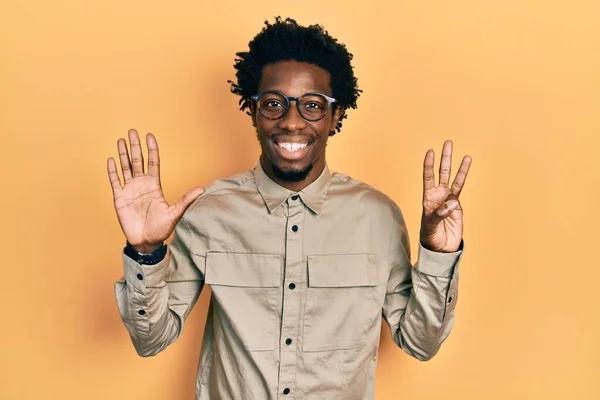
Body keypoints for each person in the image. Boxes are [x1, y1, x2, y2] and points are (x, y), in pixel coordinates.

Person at [108, 17, 472, 400]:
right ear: (252, 111)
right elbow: (151, 339)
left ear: (336, 116)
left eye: (312, 106)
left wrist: (439, 255)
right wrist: (146, 253)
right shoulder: (208, 212)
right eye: (274, 104)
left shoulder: (377, 217)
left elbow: (420, 343)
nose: (292, 122)